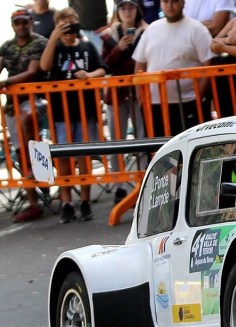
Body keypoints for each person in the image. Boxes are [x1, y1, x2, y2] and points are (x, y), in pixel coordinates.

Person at [40, 7, 107, 224]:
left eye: (73, 24)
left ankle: (85, 200)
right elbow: (44, 66)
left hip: (85, 109)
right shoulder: (56, 47)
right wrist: (54, 37)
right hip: (61, 111)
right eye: (65, 25)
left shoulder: (87, 45)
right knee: (63, 157)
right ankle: (67, 201)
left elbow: (101, 69)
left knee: (84, 155)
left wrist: (88, 75)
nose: (70, 30)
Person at [0, 8, 47, 223]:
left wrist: (3, 83)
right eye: (17, 23)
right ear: (12, 25)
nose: (21, 26)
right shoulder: (7, 46)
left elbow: (32, 71)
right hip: (12, 103)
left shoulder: (39, 42)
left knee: (32, 132)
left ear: (31, 22)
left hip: (37, 98)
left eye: (24, 22)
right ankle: (33, 202)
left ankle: (44, 183)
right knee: (20, 149)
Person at [133, 0, 213, 136]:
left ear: (183, 3)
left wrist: (197, 99)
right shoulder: (151, 29)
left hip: (188, 103)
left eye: (174, 1)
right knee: (157, 147)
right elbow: (139, 64)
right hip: (154, 105)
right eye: (165, 1)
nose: (170, 6)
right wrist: (141, 99)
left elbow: (208, 66)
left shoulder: (197, 29)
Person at [100, 0, 147, 203]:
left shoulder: (146, 31)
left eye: (131, 7)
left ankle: (144, 182)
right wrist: (118, 48)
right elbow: (104, 65)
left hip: (138, 92)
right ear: (117, 12)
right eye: (123, 8)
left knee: (142, 138)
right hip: (116, 93)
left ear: (137, 10)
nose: (127, 11)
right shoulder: (109, 35)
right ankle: (119, 184)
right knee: (116, 140)